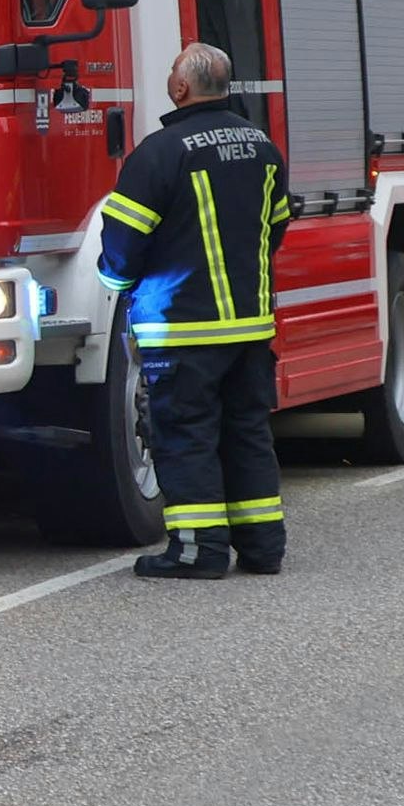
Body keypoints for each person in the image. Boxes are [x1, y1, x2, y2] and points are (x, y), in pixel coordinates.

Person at [93, 42, 291, 578]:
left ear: (180, 88)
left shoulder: (159, 153)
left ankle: (197, 551)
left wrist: (117, 281)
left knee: (185, 435)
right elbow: (275, 226)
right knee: (247, 432)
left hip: (181, 331)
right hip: (250, 327)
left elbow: (122, 247)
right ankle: (263, 547)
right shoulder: (262, 146)